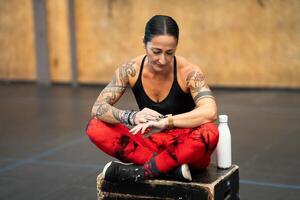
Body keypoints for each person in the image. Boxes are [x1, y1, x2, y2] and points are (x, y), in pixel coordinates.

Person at [86, 15, 219, 183]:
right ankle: (169, 169)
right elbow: (97, 108)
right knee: (95, 127)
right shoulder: (130, 70)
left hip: (184, 145)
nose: (162, 60)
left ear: (176, 47)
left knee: (210, 131)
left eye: (169, 53)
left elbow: (210, 111)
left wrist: (165, 122)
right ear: (144, 43)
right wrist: (132, 117)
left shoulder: (189, 72)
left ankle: (143, 171)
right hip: (151, 141)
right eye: (156, 51)